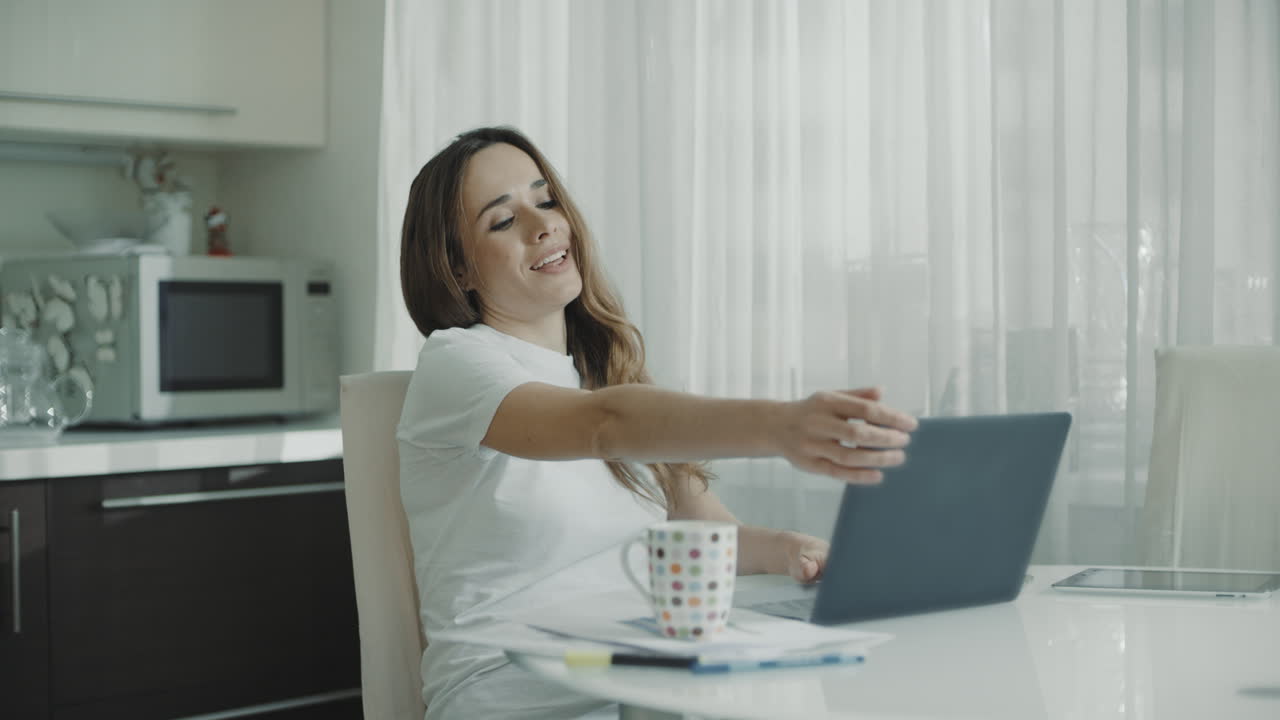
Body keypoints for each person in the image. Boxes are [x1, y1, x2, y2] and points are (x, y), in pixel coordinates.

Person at [397, 126, 918, 719]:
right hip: (515, 691)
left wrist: (793, 550)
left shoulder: (609, 375)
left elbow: (705, 537)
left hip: (637, 675)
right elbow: (602, 427)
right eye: (501, 220)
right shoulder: (457, 363)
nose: (543, 225)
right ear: (458, 268)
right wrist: (780, 427)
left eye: (545, 200)